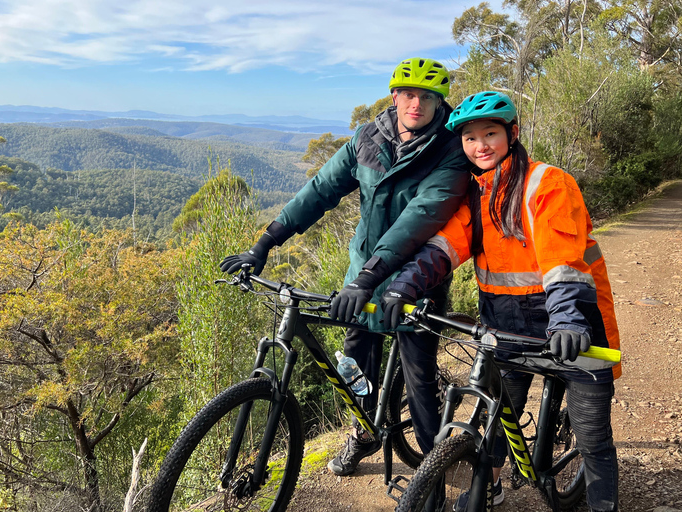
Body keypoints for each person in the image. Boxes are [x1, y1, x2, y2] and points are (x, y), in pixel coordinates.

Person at [220, 58, 473, 476]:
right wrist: (265, 243)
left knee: (420, 381)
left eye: (427, 96)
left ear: (438, 101)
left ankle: (432, 472)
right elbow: (320, 189)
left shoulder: (451, 151)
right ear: (394, 97)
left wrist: (366, 279)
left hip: (417, 279)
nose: (416, 103)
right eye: (408, 94)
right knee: (353, 365)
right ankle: (363, 433)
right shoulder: (368, 138)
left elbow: (419, 220)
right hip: (364, 276)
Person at [381, 91, 621, 511]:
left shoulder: (547, 183)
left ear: (512, 134)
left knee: (592, 436)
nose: (480, 146)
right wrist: (405, 286)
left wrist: (565, 318)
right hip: (506, 325)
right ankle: (485, 490)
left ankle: (604, 505)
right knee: (492, 422)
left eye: (490, 133)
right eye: (470, 138)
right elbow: (443, 247)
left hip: (574, 323)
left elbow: (562, 259)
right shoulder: (474, 194)